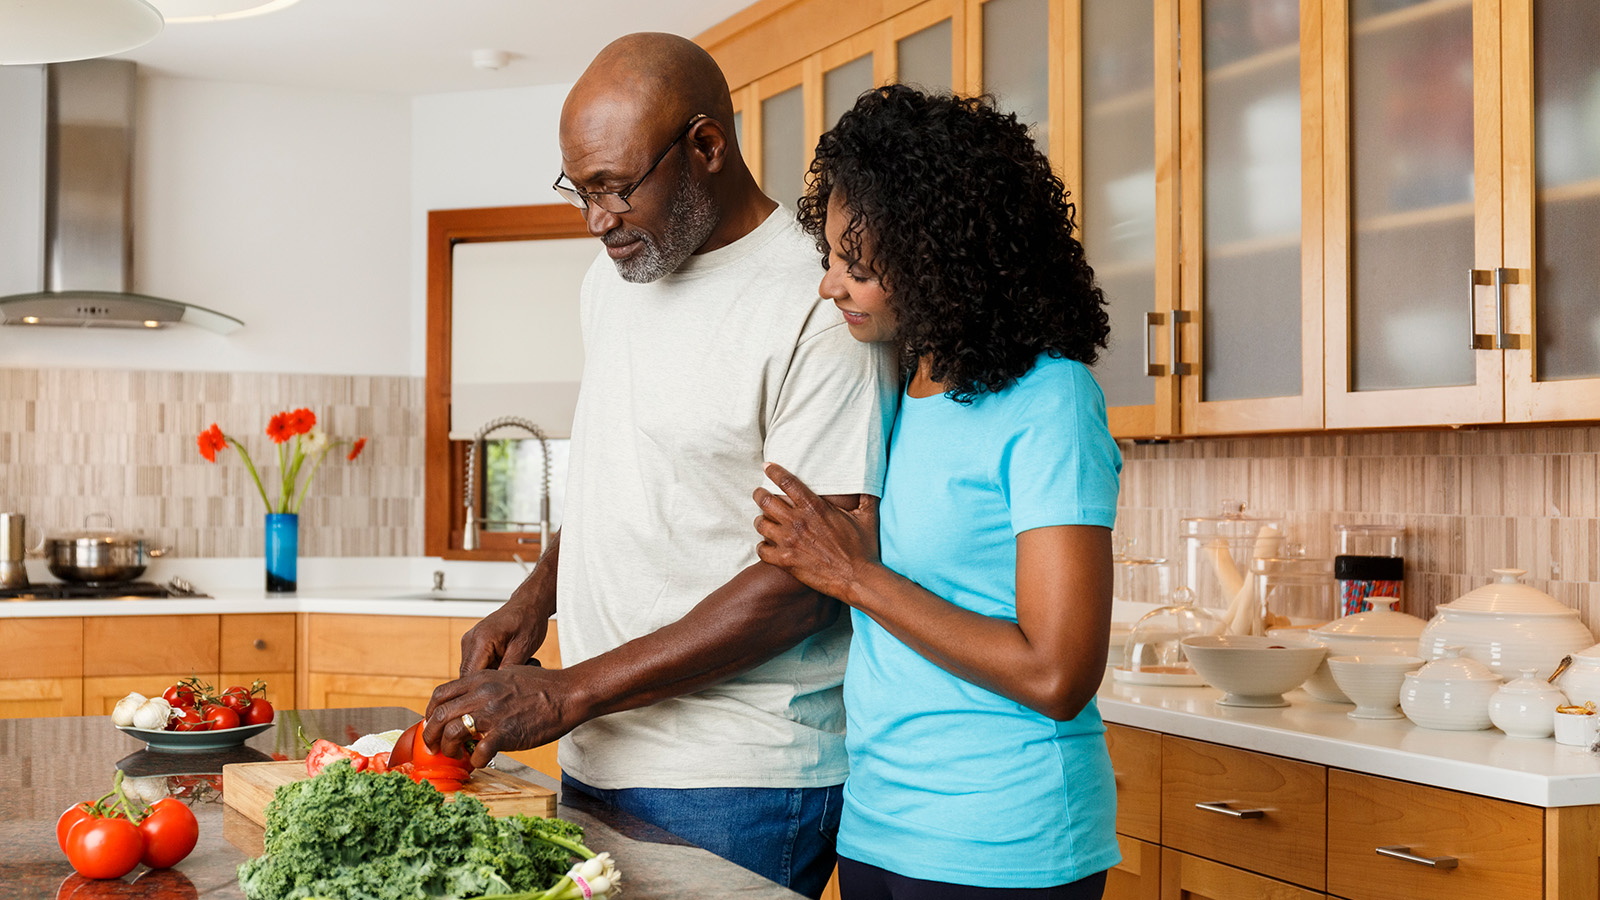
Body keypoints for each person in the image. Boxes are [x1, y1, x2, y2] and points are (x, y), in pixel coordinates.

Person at [421, 32, 897, 899]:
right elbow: (621, 475)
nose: (598, 220)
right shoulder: (617, 280)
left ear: (707, 147)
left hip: (737, 775)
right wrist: (536, 598)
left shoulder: (818, 304)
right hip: (601, 747)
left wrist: (567, 694)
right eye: (580, 190)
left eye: (614, 188)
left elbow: (805, 581)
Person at [752, 84, 1121, 899]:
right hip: (879, 823)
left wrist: (856, 576)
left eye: (859, 266)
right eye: (831, 259)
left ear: (939, 260)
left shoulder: (1050, 400)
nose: (829, 287)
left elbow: (1058, 674)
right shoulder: (895, 385)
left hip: (1003, 837)